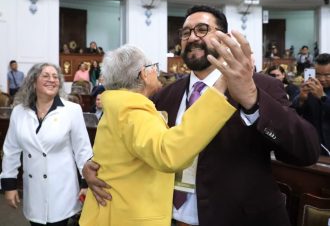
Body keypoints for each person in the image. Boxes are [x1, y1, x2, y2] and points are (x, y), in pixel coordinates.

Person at [83, 5, 320, 226]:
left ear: (224, 39)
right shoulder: (164, 95)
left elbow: (306, 151)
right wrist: (91, 167)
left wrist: (252, 100)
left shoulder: (259, 86)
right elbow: (133, 140)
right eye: (186, 32)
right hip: (168, 218)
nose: (192, 37)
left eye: (202, 29)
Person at [79, 44, 238, 226]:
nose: (157, 71)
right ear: (143, 74)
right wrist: (217, 91)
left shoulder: (119, 106)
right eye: (153, 66)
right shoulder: (133, 111)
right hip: (127, 216)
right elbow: (168, 154)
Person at [0, 63, 93, 226]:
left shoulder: (72, 110)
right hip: (34, 191)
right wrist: (9, 185)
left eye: (55, 77)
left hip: (62, 191)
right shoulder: (19, 112)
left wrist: (86, 183)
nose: (52, 80)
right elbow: (11, 150)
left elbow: (83, 150)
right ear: (33, 82)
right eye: (46, 76)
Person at [292, 53, 330, 156]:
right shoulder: (308, 87)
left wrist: (323, 97)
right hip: (310, 145)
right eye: (318, 74)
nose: (322, 79)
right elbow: (292, 113)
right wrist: (301, 99)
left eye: (327, 75)